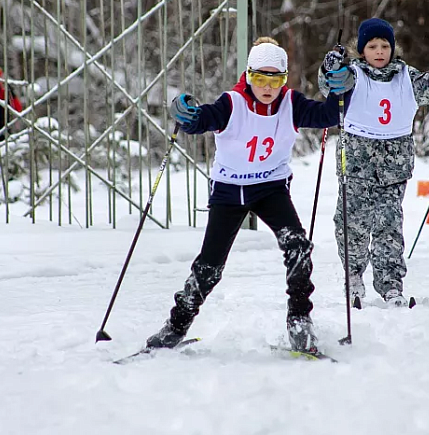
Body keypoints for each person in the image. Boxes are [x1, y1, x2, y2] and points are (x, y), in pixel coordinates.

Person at [146, 38, 354, 353]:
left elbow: (328, 116)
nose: (267, 86)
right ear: (248, 75)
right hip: (229, 191)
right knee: (210, 266)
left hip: (271, 188)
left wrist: (341, 89)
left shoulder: (291, 104)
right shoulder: (233, 102)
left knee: (298, 246)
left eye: (276, 79)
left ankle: (299, 322)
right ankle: (175, 327)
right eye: (260, 78)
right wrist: (187, 115)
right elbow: (204, 119)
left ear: (284, 80)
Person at [317, 18, 429, 307]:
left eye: (384, 46)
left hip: (393, 168)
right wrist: (330, 67)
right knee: (352, 224)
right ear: (361, 50)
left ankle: (391, 285)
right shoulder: (354, 75)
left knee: (389, 226)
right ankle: (354, 276)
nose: (379, 52)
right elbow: (330, 84)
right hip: (356, 164)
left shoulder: (406, 76)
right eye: (372, 46)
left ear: (393, 49)